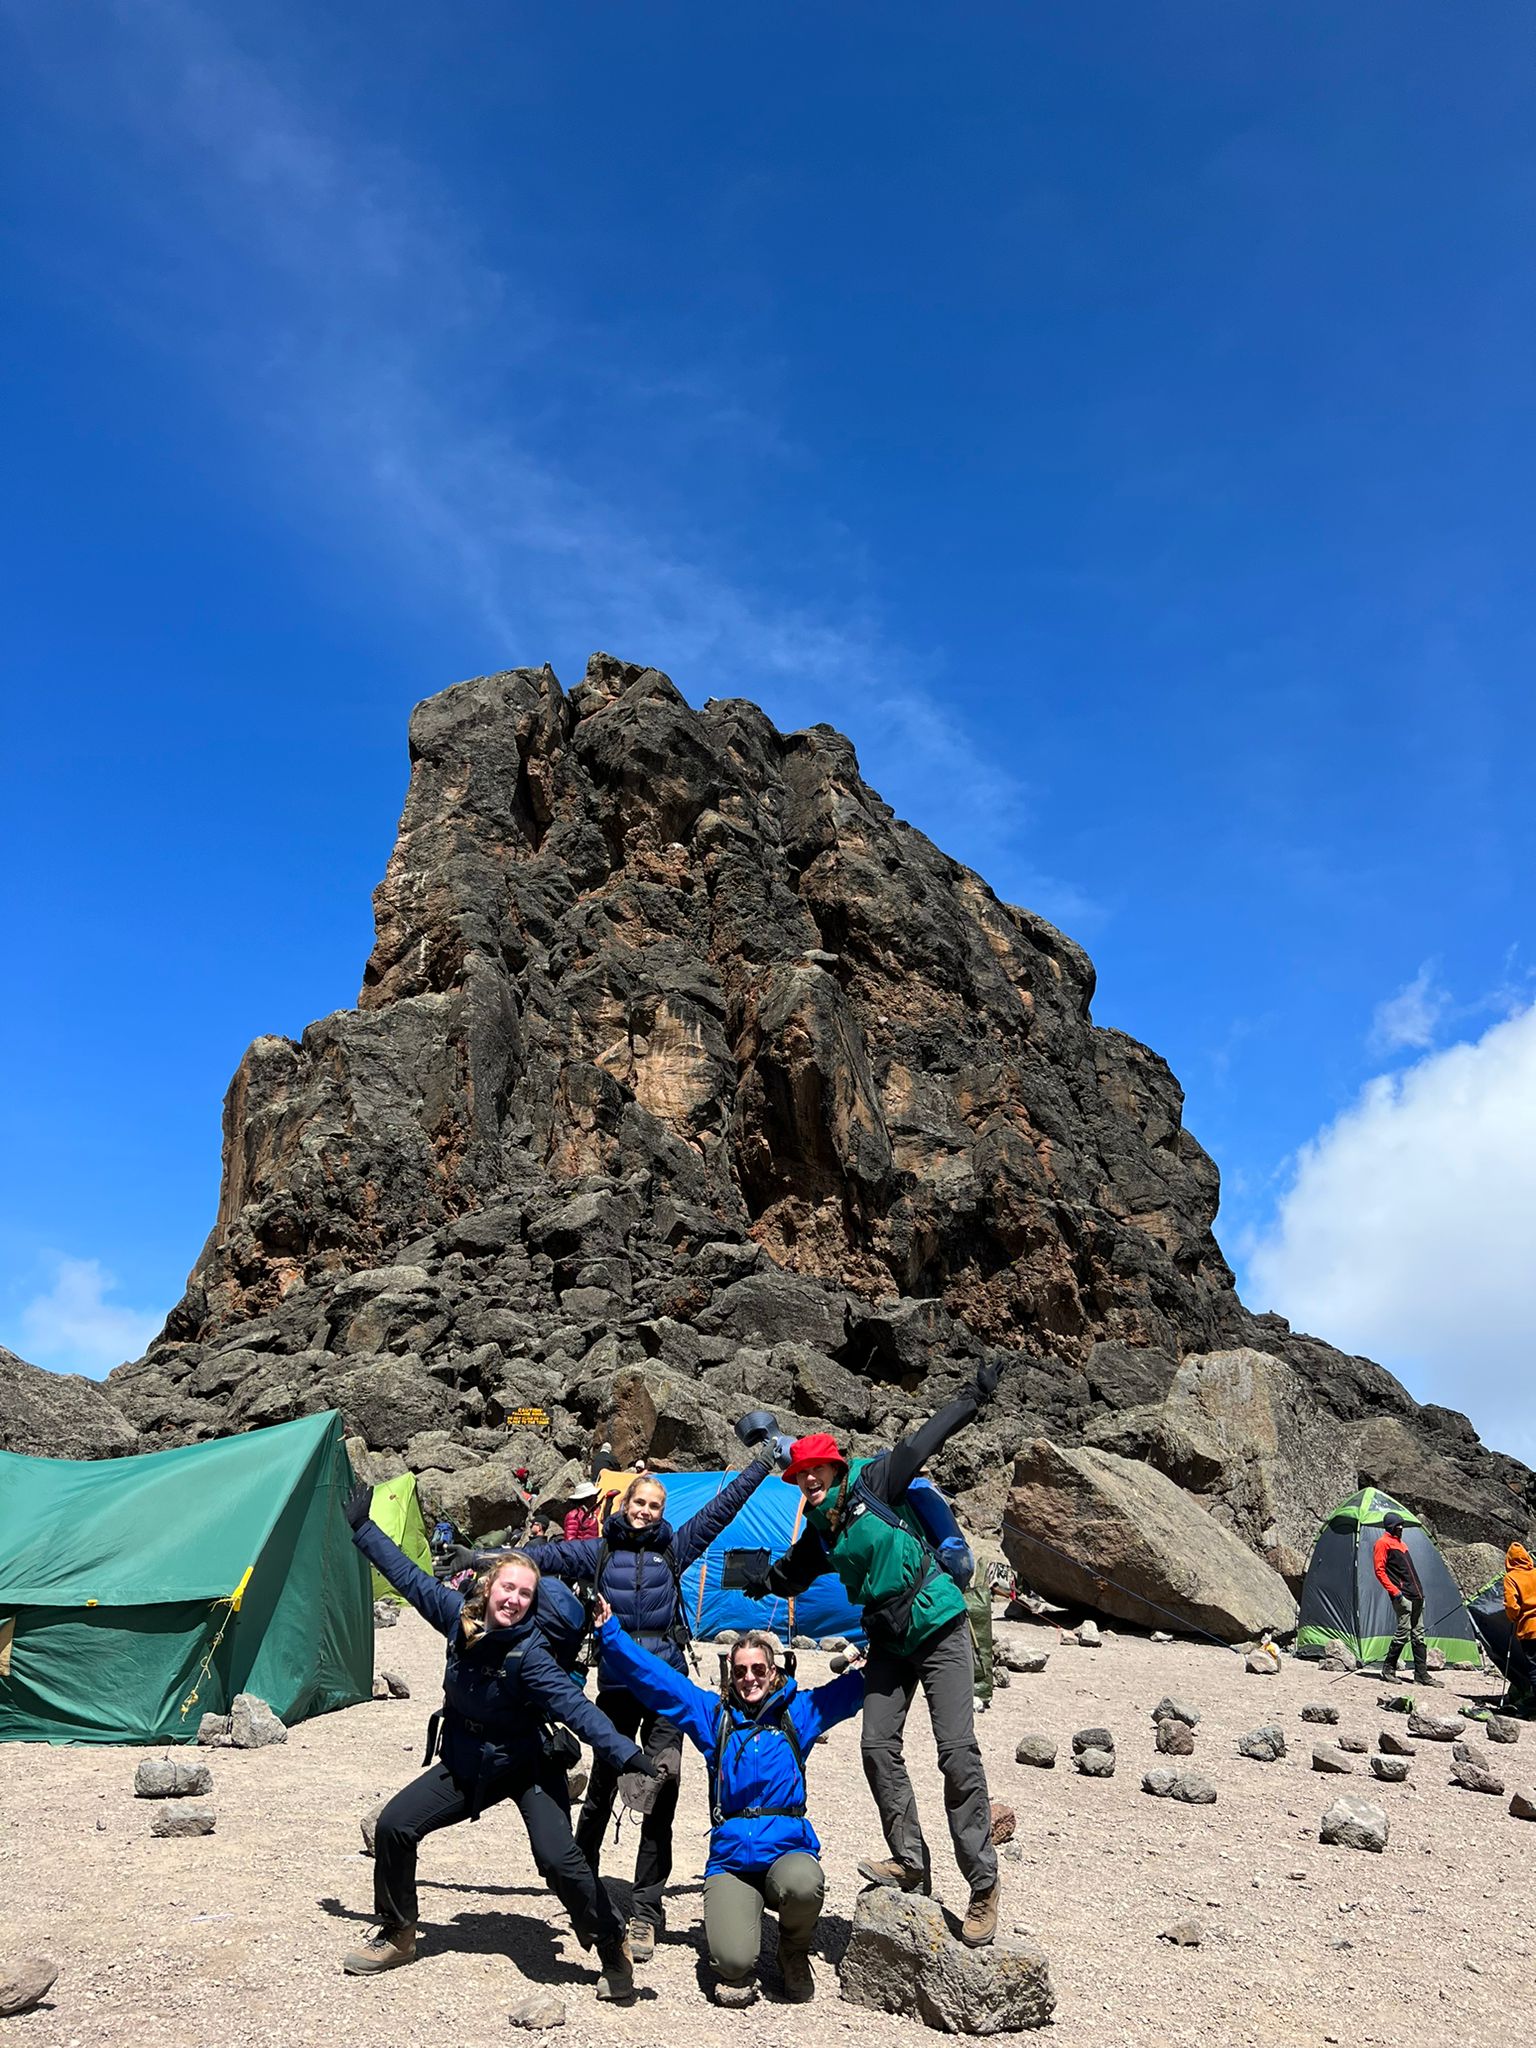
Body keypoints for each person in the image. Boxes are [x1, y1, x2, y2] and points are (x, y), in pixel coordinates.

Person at [343, 1481, 652, 2002]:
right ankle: (398, 1933)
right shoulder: (456, 1618)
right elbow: (409, 1579)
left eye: (525, 1594)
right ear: (488, 1588)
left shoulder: (531, 1656)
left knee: (560, 1861)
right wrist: (363, 1528)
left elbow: (577, 1709)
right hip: (468, 1761)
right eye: (508, 1588)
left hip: (528, 1763)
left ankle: (611, 1942)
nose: (514, 1599)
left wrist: (627, 1754)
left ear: (532, 1604)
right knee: (395, 1826)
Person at [474, 1434, 778, 1964]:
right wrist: (483, 1557)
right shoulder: (598, 1551)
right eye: (640, 1502)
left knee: (664, 1788)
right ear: (625, 1504)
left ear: (662, 1512)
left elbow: (722, 1508)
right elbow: (541, 1556)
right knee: (601, 1789)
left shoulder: (675, 1547)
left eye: (655, 1506)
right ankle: (581, 1886)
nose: (645, 1512)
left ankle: (646, 1911)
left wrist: (761, 1464)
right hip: (616, 1687)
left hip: (665, 1689)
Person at [741, 1362, 1006, 1946]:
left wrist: (973, 1395)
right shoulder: (821, 1527)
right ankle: (911, 1861)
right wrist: (760, 1581)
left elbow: (925, 1439)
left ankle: (982, 1885)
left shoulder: (875, 1482)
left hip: (937, 1623)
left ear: (835, 1467)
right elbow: (794, 1572)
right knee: (877, 1746)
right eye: (800, 1475)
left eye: (816, 1471)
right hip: (888, 1639)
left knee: (956, 1753)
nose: (808, 1481)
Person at [591, 1595, 863, 2006]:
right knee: (733, 1966)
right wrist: (610, 1634)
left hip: (786, 1852)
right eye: (740, 1671)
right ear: (730, 1676)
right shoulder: (713, 1718)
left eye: (759, 1670)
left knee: (805, 1884)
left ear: (774, 1673)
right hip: (732, 1861)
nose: (749, 1678)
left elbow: (853, 1691)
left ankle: (793, 1951)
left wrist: (887, 1657)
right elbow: (657, 1679)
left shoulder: (799, 1714)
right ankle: (742, 1924)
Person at [1372, 1511, 1441, 1687]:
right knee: (1403, 1631)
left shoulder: (1402, 1544)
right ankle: (1388, 1670)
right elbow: (1379, 1571)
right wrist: (1396, 1593)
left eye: (1402, 1525)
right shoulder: (1382, 1543)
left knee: (1419, 1635)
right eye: (1398, 1525)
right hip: (1403, 1596)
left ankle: (1421, 1674)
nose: (1401, 1528)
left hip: (1417, 1595)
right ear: (1391, 1527)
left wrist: (1420, 1594)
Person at [1502, 1541, 1536, 1717]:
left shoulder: (1511, 1578)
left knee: (1534, 1668)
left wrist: (1513, 1617)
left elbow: (1511, 1605)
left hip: (1529, 1629)